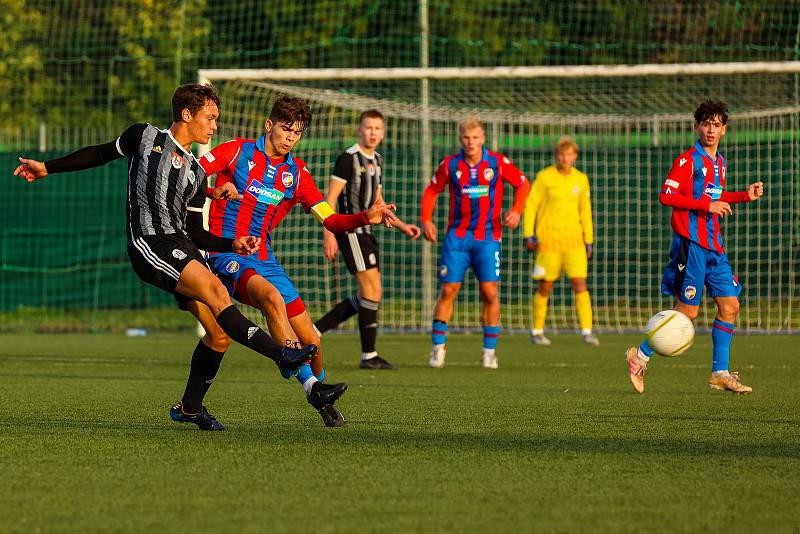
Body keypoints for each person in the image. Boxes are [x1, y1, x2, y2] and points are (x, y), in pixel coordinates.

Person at [12, 84, 380, 430]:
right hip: (152, 244)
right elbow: (100, 152)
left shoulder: (195, 172)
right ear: (187, 115)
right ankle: (285, 358)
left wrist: (228, 239)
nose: (214, 125)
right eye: (210, 118)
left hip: (194, 250)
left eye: (297, 132)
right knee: (232, 297)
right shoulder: (149, 137)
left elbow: (199, 228)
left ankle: (192, 406)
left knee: (220, 335)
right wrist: (48, 167)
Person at [192, 96, 398, 427]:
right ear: (268, 125)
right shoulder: (236, 151)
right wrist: (214, 190)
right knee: (271, 299)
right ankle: (297, 371)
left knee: (313, 342)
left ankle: (320, 397)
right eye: (286, 129)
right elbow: (191, 172)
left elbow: (329, 219)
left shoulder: (297, 174)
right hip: (228, 254)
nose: (290, 138)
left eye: (297, 133)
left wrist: (364, 217)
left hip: (266, 260)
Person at [626, 100, 764, 394]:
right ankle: (639, 356)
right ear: (696, 127)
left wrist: (743, 196)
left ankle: (720, 373)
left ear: (724, 130)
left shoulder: (719, 162)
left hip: (715, 246)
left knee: (730, 305)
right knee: (687, 312)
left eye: (716, 125)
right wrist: (706, 204)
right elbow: (666, 195)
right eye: (706, 124)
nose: (711, 129)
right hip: (692, 245)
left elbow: (716, 195)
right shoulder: (688, 160)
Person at [315, 109, 421, 370]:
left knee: (368, 293)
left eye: (377, 128)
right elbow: (328, 200)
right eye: (368, 127)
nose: (373, 132)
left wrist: (403, 226)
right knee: (372, 291)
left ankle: (314, 329)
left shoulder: (379, 161)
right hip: (349, 230)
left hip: (367, 233)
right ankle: (369, 356)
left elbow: (378, 204)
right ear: (359, 129)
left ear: (383, 133)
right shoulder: (348, 159)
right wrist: (328, 233)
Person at [421, 117, 530, 369]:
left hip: (488, 238)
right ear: (460, 139)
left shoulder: (497, 162)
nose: (471, 143)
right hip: (457, 238)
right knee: (449, 290)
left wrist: (516, 211)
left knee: (490, 292)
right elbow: (431, 190)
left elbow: (523, 184)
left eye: (476, 137)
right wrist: (426, 220)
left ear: (483, 138)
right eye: (466, 138)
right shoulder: (451, 164)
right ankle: (438, 349)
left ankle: (489, 352)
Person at [522, 136, 599, 347]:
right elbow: (531, 206)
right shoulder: (544, 177)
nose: (565, 158)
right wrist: (528, 234)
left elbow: (585, 210)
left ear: (575, 156)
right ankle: (537, 331)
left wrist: (588, 239)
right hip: (548, 242)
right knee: (545, 286)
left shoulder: (581, 179)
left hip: (574, 242)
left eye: (569, 154)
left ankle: (587, 331)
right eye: (561, 154)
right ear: (557, 156)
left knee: (580, 284)